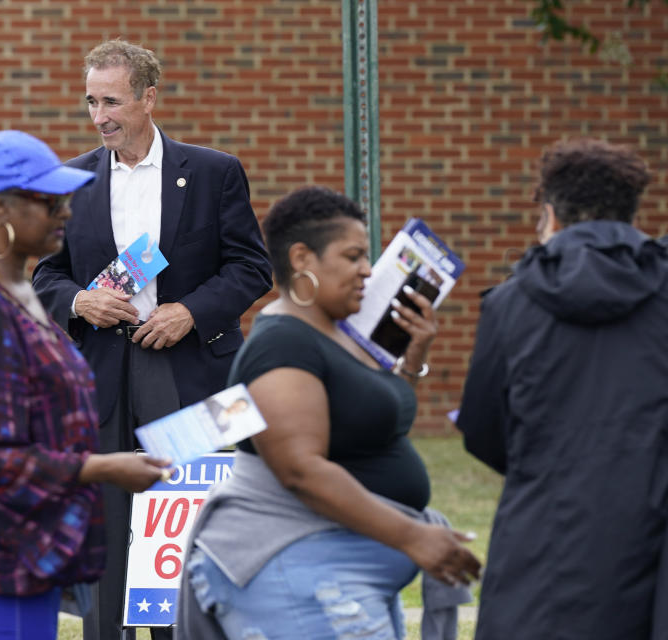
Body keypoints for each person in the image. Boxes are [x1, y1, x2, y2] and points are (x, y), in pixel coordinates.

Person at [32, 39, 272, 640]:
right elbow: (44, 275)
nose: (99, 116)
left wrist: (189, 311)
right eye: (91, 102)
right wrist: (80, 301)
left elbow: (251, 268)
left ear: (148, 98)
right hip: (101, 373)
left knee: (180, 521)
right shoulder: (71, 179)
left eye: (111, 101)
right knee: (105, 521)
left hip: (190, 371)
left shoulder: (214, 172)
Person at [0, 130, 172, 640]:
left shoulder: (17, 288)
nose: (66, 210)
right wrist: (106, 467)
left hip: (25, 547)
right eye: (50, 200)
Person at [176, 186, 482, 640]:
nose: (367, 269)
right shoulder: (282, 343)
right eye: (354, 255)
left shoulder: (337, 335)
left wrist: (412, 360)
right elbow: (300, 470)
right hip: (292, 569)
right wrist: (413, 537)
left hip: (334, 573)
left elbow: (370, 429)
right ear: (302, 259)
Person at [457, 138, 668, 639]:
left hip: (544, 545)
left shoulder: (509, 305)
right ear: (632, 215)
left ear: (550, 216)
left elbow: (483, 430)